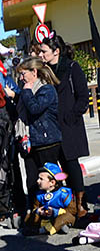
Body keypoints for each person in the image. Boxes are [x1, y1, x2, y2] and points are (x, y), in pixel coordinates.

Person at [40, 34, 91, 218]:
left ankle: (81, 205)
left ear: (56, 51)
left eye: (44, 51)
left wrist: (72, 115)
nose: (41, 54)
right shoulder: (45, 71)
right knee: (58, 168)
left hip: (70, 125)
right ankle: (67, 205)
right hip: (53, 126)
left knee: (72, 164)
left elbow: (83, 96)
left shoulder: (71, 67)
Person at [14, 57, 63, 205]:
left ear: (34, 72)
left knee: (49, 180)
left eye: (23, 74)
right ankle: (36, 212)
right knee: (33, 179)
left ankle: (57, 210)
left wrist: (27, 92)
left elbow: (35, 108)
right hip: (30, 141)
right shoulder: (25, 91)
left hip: (47, 141)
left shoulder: (46, 89)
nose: (21, 78)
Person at [23, 162, 76, 235]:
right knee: (29, 216)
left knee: (66, 217)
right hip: (46, 217)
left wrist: (56, 212)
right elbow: (35, 208)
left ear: (52, 182)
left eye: (41, 179)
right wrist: (39, 211)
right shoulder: (40, 194)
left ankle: (42, 230)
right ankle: (56, 227)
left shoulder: (62, 194)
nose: (37, 181)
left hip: (60, 215)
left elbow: (72, 210)